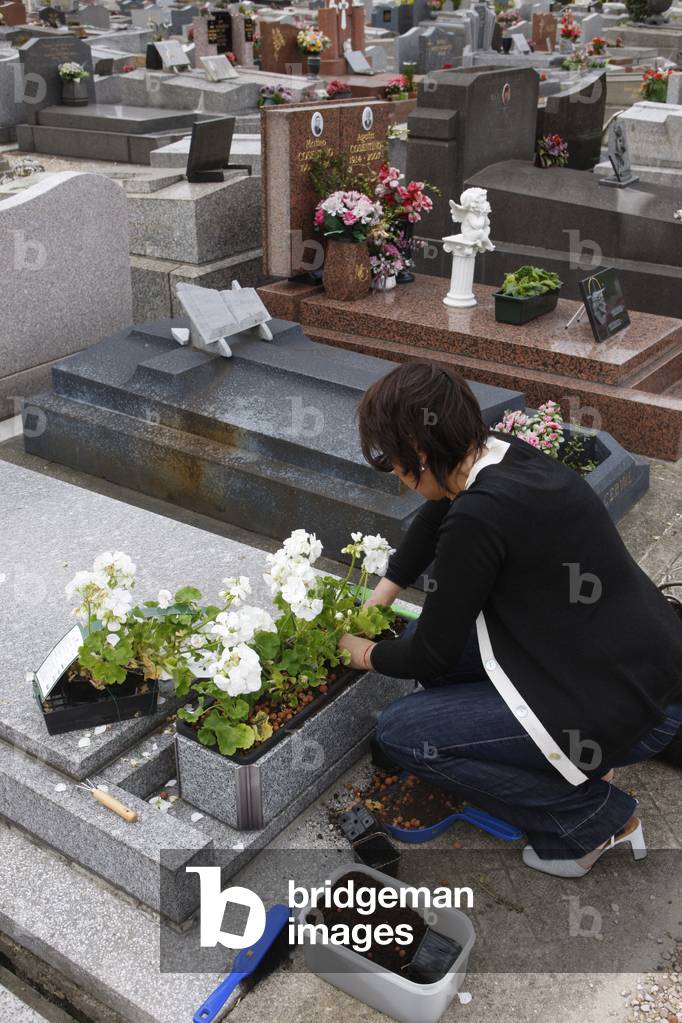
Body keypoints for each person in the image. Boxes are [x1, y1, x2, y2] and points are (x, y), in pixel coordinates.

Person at [339, 361, 682, 877]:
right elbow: (439, 514)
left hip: (634, 709)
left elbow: (426, 651)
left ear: (422, 454)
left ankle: (589, 822)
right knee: (433, 659)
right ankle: (587, 759)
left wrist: (363, 652)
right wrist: (380, 597)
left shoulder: (480, 517)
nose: (394, 473)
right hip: (641, 668)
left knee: (402, 732)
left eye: (391, 459)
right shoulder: (501, 453)